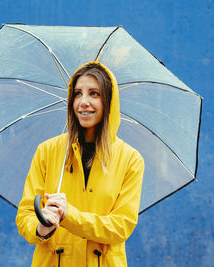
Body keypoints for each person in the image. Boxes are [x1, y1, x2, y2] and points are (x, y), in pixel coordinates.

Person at [16, 61, 144, 267]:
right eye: (77, 94)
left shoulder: (130, 159)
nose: (83, 102)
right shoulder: (47, 151)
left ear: (109, 101)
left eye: (94, 93)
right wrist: (41, 228)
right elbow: (25, 216)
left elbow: (121, 227)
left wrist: (69, 216)